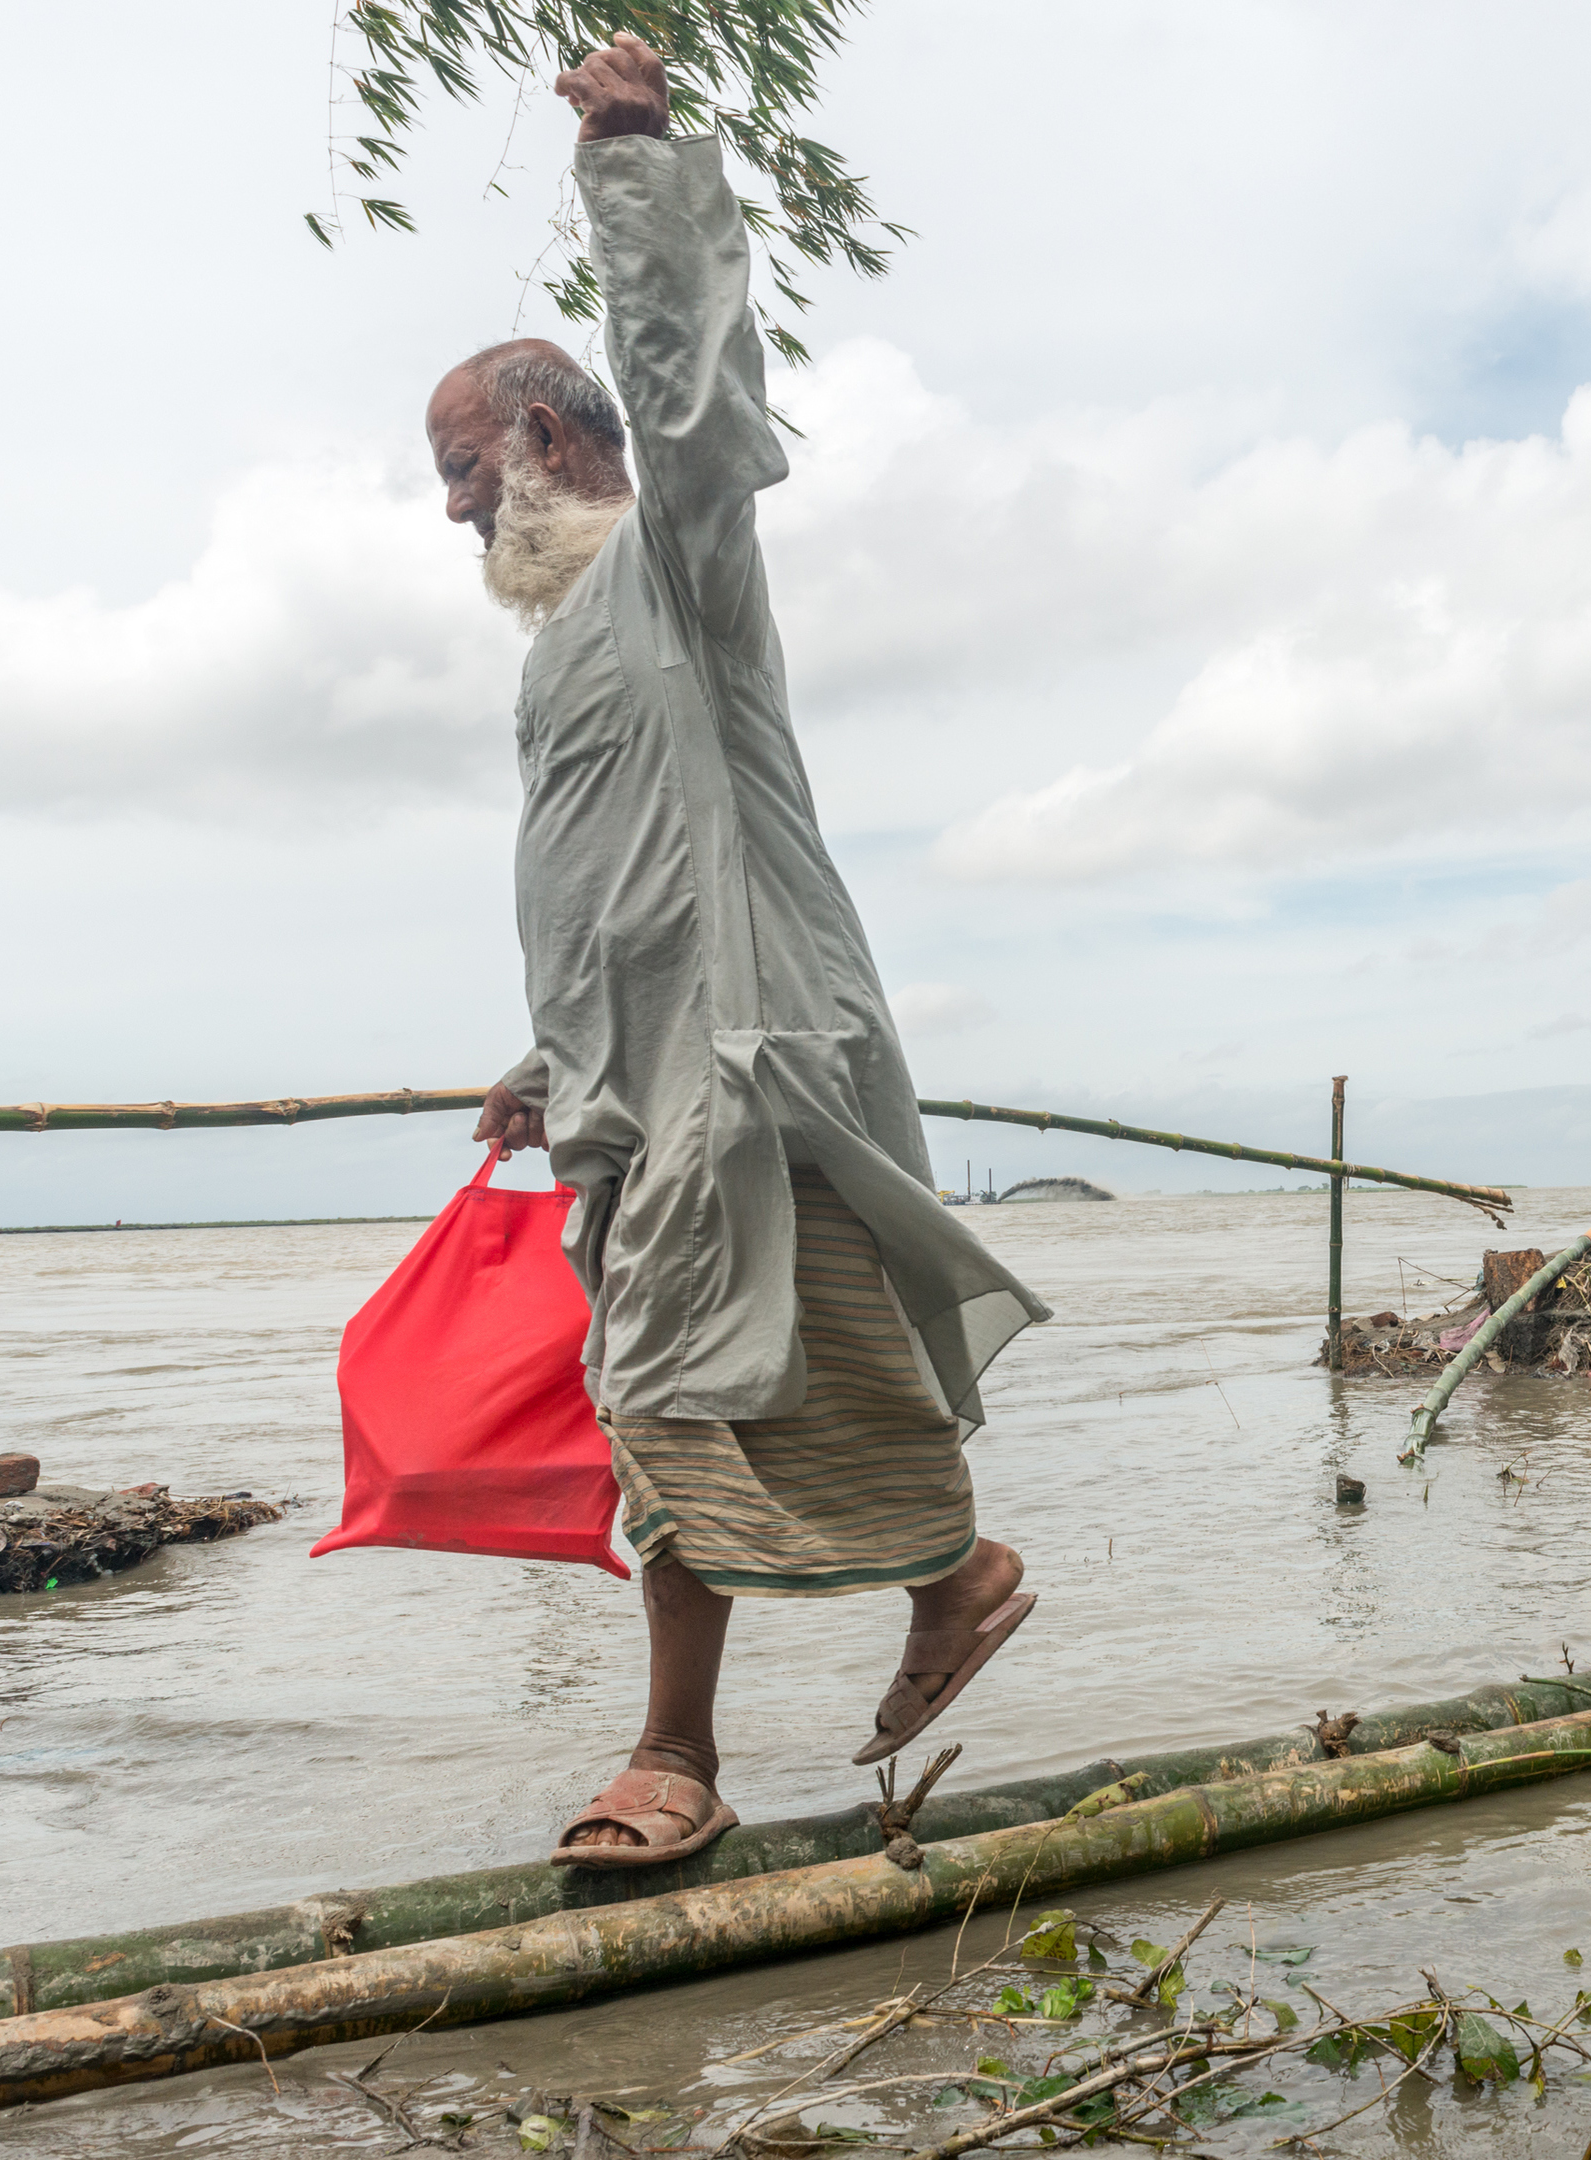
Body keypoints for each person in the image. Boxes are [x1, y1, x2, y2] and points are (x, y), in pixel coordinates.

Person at [439, 35, 1049, 1870]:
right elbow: (614, 901)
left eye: (464, 469)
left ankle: (680, 1756)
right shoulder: (561, 658)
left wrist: (638, 171)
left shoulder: (675, 569)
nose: (454, 508)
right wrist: (549, 1068)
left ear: (550, 437)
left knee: (694, 1404)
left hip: (756, 1075)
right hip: (648, 1100)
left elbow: (695, 405)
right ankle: (935, 1595)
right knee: (683, 1411)